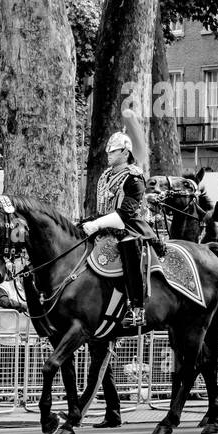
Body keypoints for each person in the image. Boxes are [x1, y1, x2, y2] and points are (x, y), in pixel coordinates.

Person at [82, 131, 154, 327]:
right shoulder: (105, 176)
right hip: (105, 225)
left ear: (125, 152)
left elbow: (126, 212)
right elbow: (102, 208)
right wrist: (89, 222)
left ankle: (137, 307)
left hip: (130, 227)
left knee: (128, 247)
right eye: (108, 152)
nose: (109, 154)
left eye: (113, 151)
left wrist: (97, 224)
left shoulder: (134, 177)